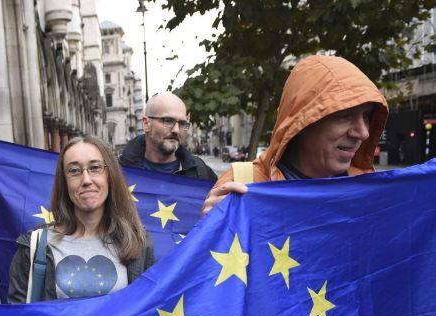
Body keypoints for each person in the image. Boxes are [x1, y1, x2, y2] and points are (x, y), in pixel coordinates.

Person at [201, 55, 389, 216]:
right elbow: (208, 256)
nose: (363, 132)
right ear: (302, 122)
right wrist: (208, 233)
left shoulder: (366, 191)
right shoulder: (242, 184)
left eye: (366, 116)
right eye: (343, 116)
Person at [7, 135, 154, 303]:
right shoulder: (34, 246)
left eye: (95, 167)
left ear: (110, 175)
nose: (86, 180)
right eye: (74, 171)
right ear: (64, 181)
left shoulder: (138, 243)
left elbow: (149, 314)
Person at [118, 92, 218, 181]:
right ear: (146, 124)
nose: (176, 130)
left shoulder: (200, 173)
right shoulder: (117, 172)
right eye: (168, 121)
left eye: (182, 123)